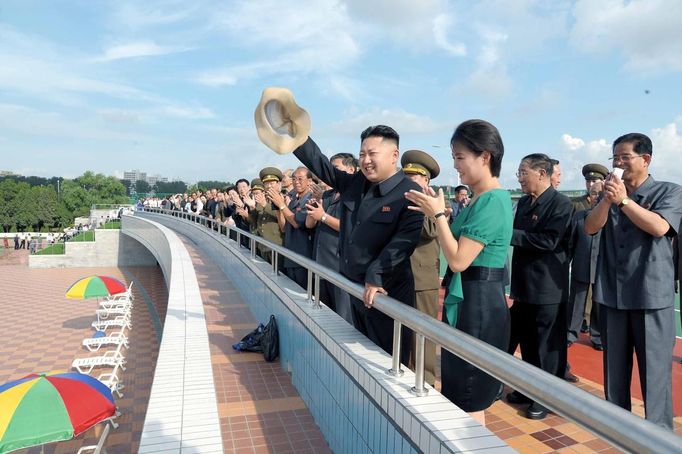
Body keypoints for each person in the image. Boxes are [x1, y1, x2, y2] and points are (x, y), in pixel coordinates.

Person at [405, 119, 512, 426]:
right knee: (462, 390)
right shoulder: (480, 199)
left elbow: (458, 261)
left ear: (485, 156)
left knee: (469, 395)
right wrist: (434, 214)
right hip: (471, 299)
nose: (456, 166)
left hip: (479, 304)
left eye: (460, 157)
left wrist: (438, 214)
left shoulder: (492, 200)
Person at [294, 126, 422, 364]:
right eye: (362, 154)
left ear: (394, 155)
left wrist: (376, 275)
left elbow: (403, 242)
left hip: (386, 294)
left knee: (388, 361)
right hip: (355, 290)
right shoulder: (356, 184)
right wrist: (295, 134)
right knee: (360, 357)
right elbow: (321, 165)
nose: (366, 160)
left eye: (372, 154)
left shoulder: (410, 192)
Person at [585, 132, 682, 429]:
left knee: (654, 375)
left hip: (651, 297)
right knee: (614, 372)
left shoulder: (669, 192)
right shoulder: (611, 195)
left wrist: (624, 200)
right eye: (615, 158)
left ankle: (659, 437)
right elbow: (590, 228)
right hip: (613, 295)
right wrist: (606, 200)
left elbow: (659, 227)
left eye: (625, 157)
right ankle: (619, 430)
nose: (618, 163)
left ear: (646, 159)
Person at [507, 153, 573, 420]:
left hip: (547, 288)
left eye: (524, 172)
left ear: (542, 174)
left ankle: (548, 398)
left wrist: (507, 234)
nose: (520, 178)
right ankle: (528, 389)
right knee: (529, 342)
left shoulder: (561, 204)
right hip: (523, 286)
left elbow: (549, 241)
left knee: (548, 346)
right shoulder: (523, 203)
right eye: (519, 173)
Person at [401, 149, 441, 386]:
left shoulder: (434, 204)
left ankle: (425, 381)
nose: (409, 181)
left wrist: (426, 204)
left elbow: (430, 230)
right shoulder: (400, 200)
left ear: (425, 180)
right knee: (404, 330)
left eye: (414, 177)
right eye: (406, 176)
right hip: (400, 276)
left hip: (422, 279)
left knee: (423, 334)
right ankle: (407, 374)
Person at [304, 153, 357, 324]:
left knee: (342, 317)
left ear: (351, 170)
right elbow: (309, 224)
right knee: (322, 314)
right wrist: (313, 212)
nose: (332, 174)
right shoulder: (327, 195)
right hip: (320, 262)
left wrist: (323, 216)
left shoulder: (355, 196)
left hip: (340, 265)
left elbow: (352, 228)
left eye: (337, 169)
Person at [567, 164, 609, 350]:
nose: (595, 198)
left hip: (602, 266)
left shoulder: (612, 215)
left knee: (599, 303)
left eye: (599, 195)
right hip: (582, 263)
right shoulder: (579, 215)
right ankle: (570, 334)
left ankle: (598, 337)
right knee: (576, 301)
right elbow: (571, 241)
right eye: (593, 195)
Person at [269, 166, 314, 289]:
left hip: (303, 256)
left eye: (300, 179)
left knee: (302, 292)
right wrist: (278, 207)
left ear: (309, 181)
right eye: (294, 179)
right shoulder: (293, 201)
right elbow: (284, 227)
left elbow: (296, 223)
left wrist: (282, 205)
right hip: (290, 254)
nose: (296, 182)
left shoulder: (311, 200)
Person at [256, 167, 286, 264]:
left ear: (278, 184)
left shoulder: (283, 198)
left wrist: (265, 205)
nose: (269, 186)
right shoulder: (264, 198)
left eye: (272, 183)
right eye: (266, 183)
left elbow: (283, 216)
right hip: (264, 245)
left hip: (277, 245)